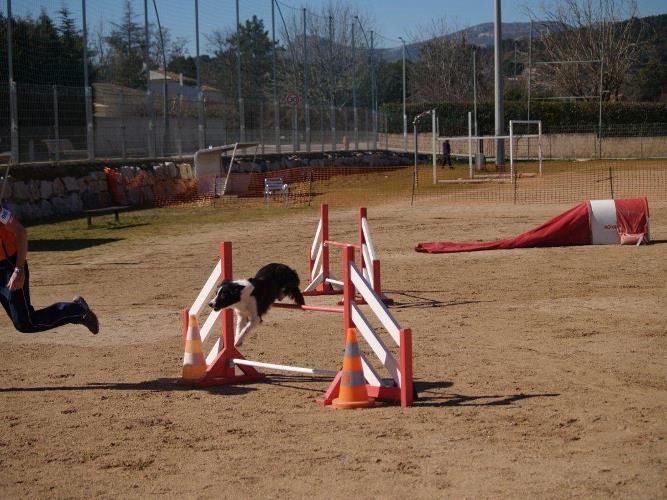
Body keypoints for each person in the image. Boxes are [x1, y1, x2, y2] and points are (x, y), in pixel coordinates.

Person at [0, 206, 99, 334]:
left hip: (9, 266)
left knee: (25, 322)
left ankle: (77, 310)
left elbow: (20, 231)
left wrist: (19, 269)